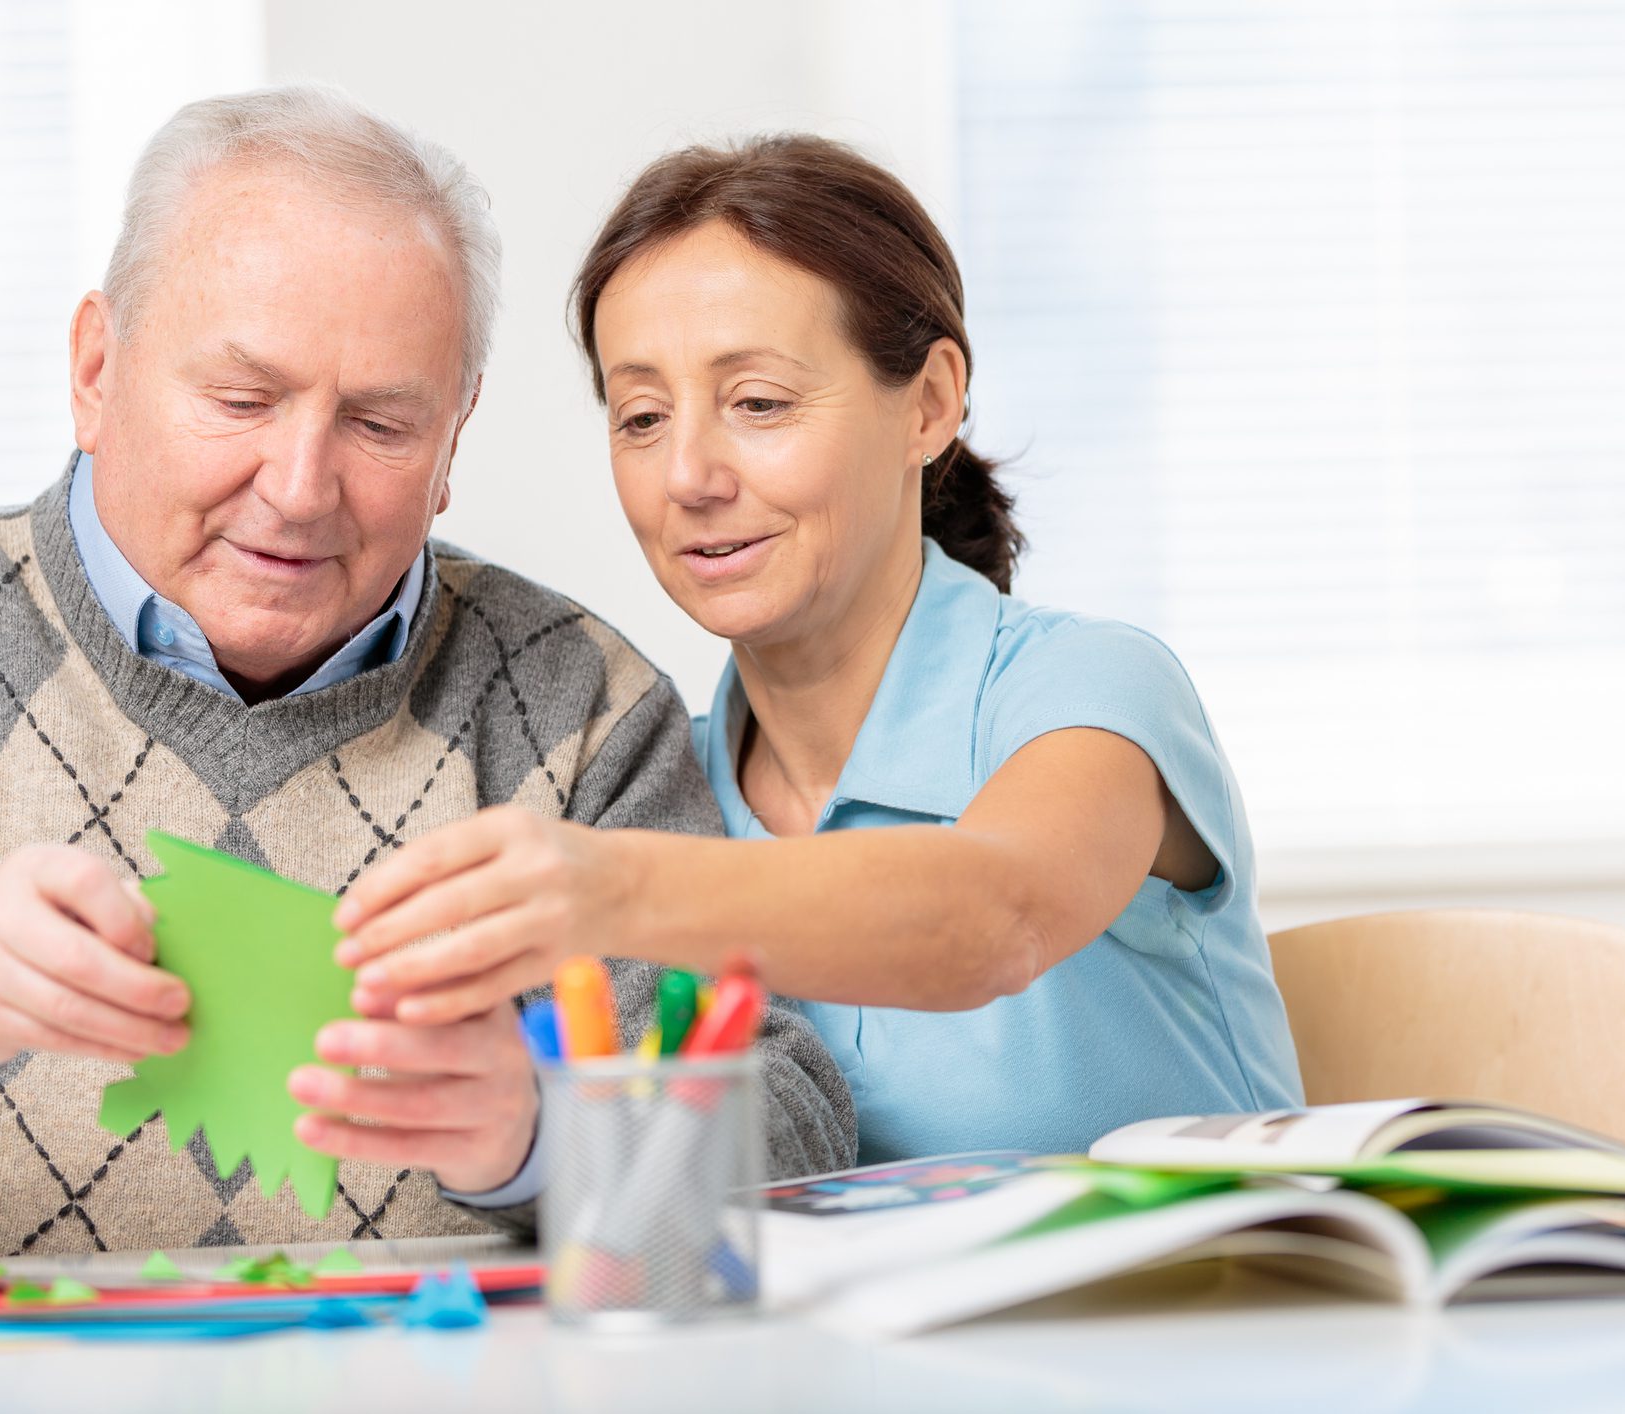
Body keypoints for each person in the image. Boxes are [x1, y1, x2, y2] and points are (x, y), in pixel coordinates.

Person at [0, 91, 852, 1272]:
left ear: (454, 438)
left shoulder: (576, 710)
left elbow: (792, 1140)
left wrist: (542, 1139)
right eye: (242, 398)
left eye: (379, 425)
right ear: (96, 371)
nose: (301, 487)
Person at [334, 135, 1304, 1165]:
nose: (690, 476)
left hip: (1198, 1312)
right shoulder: (665, 780)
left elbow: (997, 916)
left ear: (929, 404)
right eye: (643, 417)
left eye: (759, 403)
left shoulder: (1089, 689)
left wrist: (610, 888)